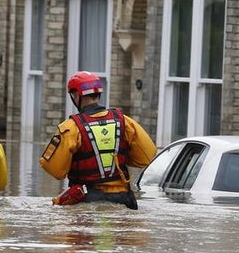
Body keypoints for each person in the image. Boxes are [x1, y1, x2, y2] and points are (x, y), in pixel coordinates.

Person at [40, 71, 157, 208]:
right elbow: (146, 157)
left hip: (87, 200)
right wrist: (120, 157)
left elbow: (54, 169)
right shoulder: (124, 121)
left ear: (77, 95)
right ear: (98, 94)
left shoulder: (70, 128)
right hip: (124, 199)